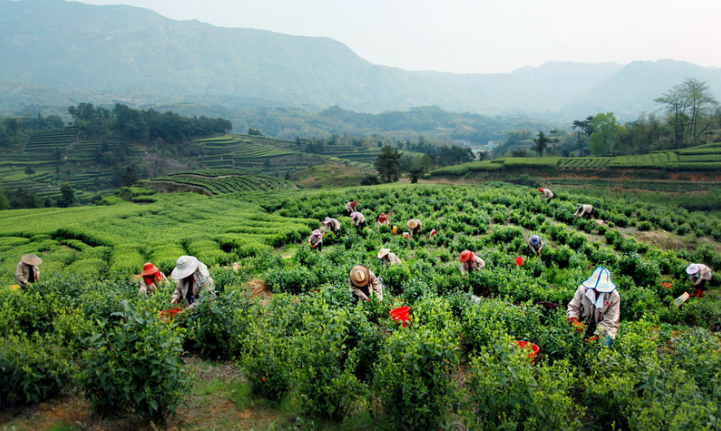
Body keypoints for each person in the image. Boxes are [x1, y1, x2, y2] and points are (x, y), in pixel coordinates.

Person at [567, 267, 620, 346]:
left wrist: (596, 336)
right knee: (568, 340)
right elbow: (573, 308)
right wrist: (574, 321)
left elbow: (609, 321)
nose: (597, 291)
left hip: (605, 328)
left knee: (603, 344)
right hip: (584, 323)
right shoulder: (582, 290)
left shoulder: (614, 296)